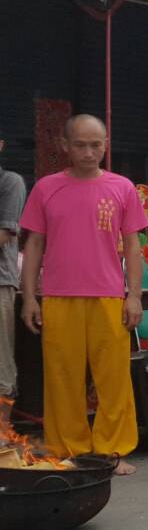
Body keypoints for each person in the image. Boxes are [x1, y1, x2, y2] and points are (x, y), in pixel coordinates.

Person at [18, 115, 147, 474]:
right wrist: (30, 297)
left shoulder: (122, 187)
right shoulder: (46, 188)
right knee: (62, 376)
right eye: (80, 145)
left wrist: (133, 295)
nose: (89, 152)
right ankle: (69, 447)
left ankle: (111, 449)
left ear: (106, 144)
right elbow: (34, 246)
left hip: (108, 296)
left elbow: (134, 247)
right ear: (65, 146)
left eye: (96, 144)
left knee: (113, 377)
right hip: (59, 296)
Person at [0, 132, 23, 406]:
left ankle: (3, 436)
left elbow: (4, 234)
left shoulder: (9, 182)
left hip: (0, 282)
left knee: (1, 360)